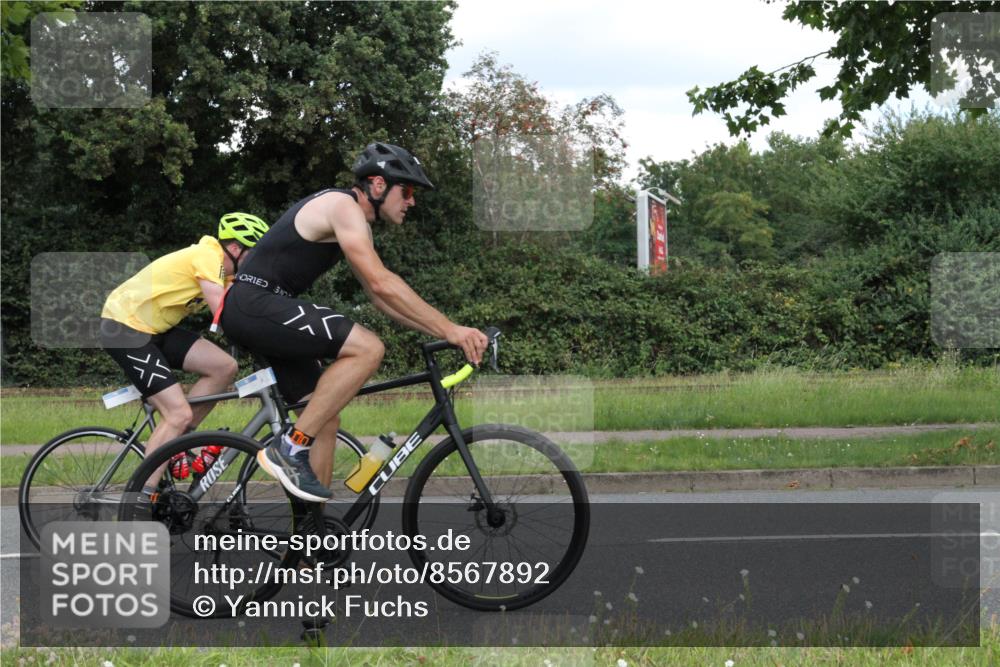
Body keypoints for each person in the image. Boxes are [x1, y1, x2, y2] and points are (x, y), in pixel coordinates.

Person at [219, 142, 487, 502]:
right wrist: (451, 329)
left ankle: (309, 535)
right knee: (368, 348)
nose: (411, 202)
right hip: (253, 303)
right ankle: (288, 448)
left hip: (259, 307)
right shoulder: (343, 206)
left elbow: (379, 298)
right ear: (378, 185)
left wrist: (445, 333)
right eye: (407, 191)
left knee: (324, 417)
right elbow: (381, 282)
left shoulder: (354, 221)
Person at [100, 212, 270, 496]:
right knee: (177, 413)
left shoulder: (225, 273)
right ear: (235, 248)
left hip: (155, 329)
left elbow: (246, 308)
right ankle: (141, 497)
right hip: (125, 328)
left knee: (224, 367)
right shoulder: (208, 256)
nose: (256, 262)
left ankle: (177, 442)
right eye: (253, 253)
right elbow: (224, 312)